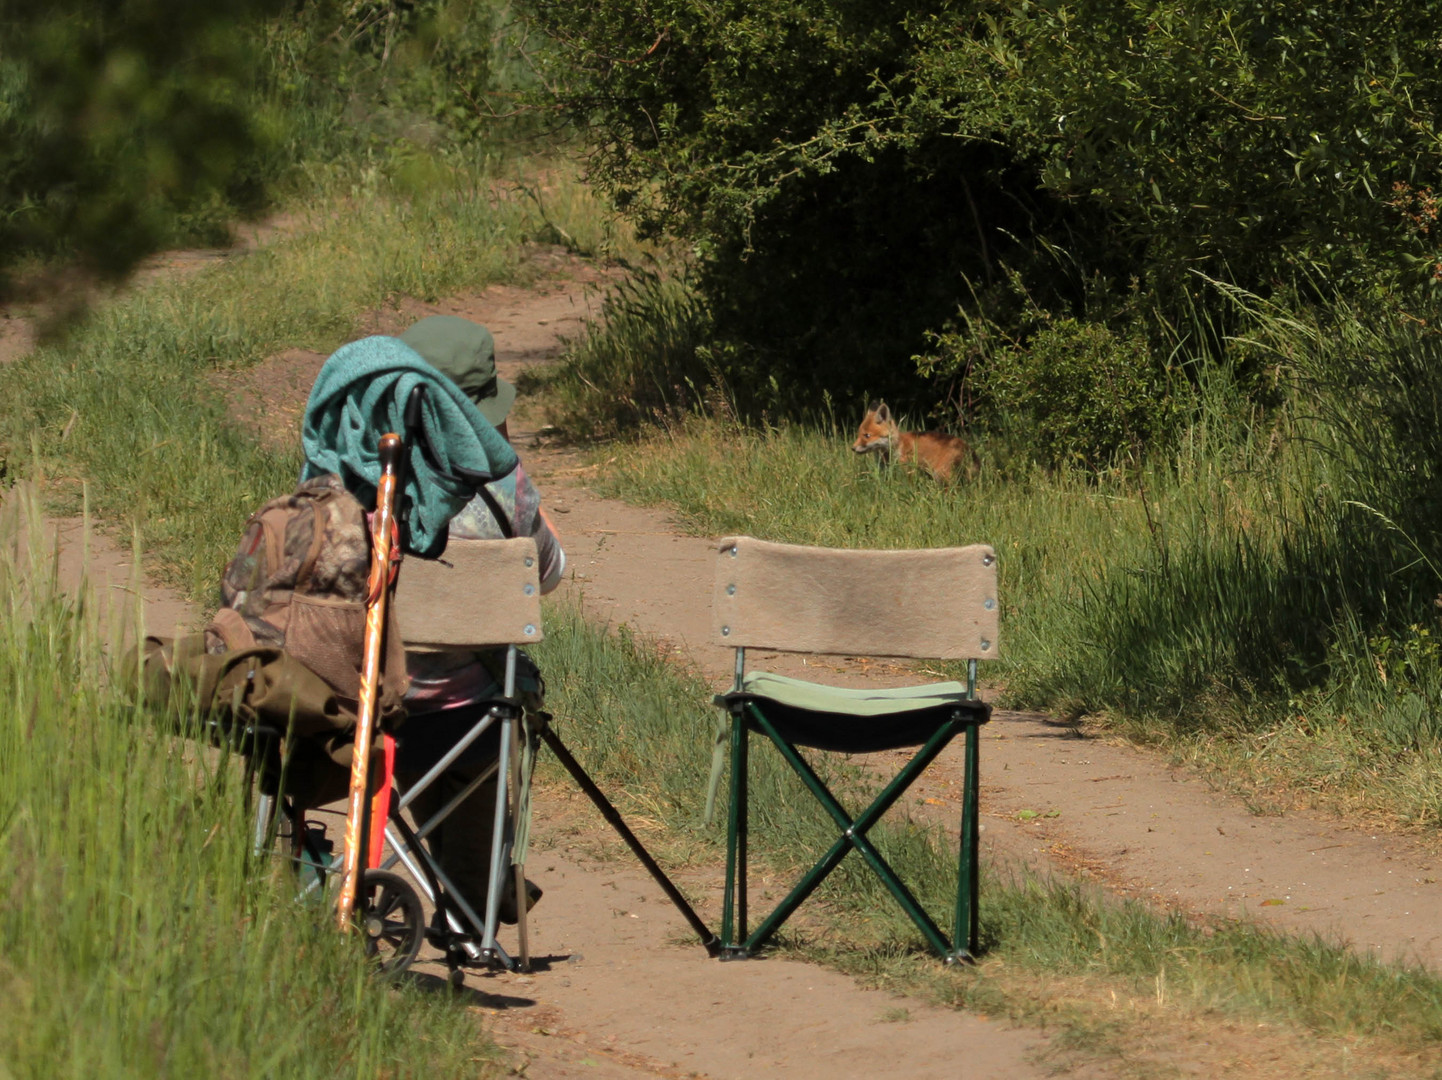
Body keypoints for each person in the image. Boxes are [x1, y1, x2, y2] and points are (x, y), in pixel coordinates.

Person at [394, 315, 563, 930]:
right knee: (491, 701)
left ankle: (461, 890)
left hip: (373, 715)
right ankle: (476, 898)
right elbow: (546, 574)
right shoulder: (507, 486)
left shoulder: (362, 480)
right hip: (472, 719)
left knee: (441, 729)